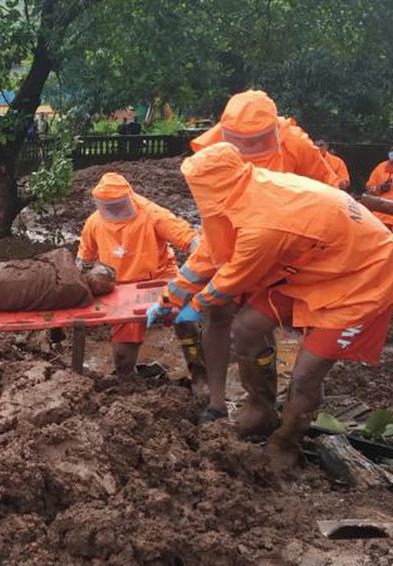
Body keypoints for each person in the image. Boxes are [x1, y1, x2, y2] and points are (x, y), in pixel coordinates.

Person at [161, 142, 393, 470]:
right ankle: (260, 407)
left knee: (307, 371)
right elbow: (213, 250)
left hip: (363, 273)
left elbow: (232, 278)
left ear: (214, 186)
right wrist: (170, 296)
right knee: (246, 327)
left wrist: (194, 306)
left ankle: (286, 439)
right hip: (313, 264)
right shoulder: (239, 191)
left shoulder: (264, 224)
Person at [153, 89, 342, 422]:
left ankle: (268, 402)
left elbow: (330, 198)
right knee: (218, 311)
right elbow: (213, 219)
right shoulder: (212, 149)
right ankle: (216, 401)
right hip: (238, 236)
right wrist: (175, 297)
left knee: (255, 325)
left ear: (274, 132)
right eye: (239, 141)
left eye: (256, 142)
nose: (247, 150)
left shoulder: (297, 146)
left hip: (288, 246)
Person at [78, 173, 203, 385]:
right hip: (121, 288)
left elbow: (189, 239)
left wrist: (202, 263)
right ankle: (127, 384)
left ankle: (201, 376)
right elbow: (83, 260)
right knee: (122, 353)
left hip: (160, 276)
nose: (115, 210)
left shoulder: (152, 214)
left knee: (186, 319)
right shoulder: (95, 222)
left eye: (119, 205)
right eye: (110, 206)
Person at [364, 148, 393, 229]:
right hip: (380, 215)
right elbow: (369, 188)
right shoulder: (381, 167)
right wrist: (379, 188)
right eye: (391, 150)